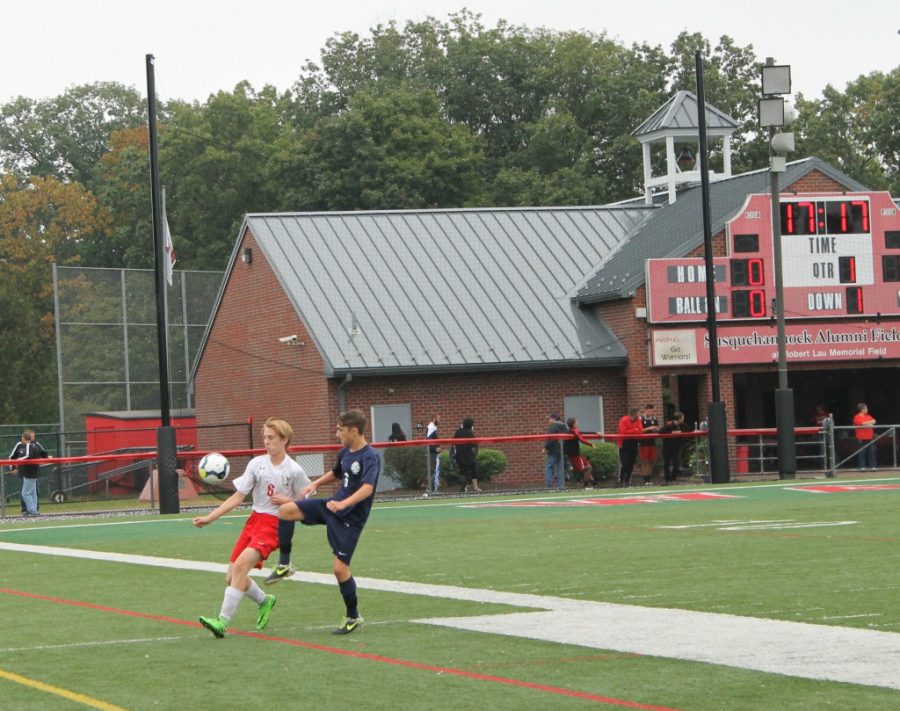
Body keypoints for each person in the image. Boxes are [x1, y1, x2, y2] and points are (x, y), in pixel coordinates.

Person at [194, 418, 310, 638]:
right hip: (254, 520)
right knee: (231, 577)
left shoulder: (294, 470)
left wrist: (287, 501)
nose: (266, 442)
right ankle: (264, 601)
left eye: (271, 438)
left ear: (284, 440)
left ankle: (221, 622)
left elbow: (306, 506)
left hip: (274, 525)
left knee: (240, 568)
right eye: (264, 437)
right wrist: (210, 517)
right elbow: (238, 497)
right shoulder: (256, 464)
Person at [275, 410, 381, 635]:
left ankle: (353, 617)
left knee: (339, 570)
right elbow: (335, 474)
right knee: (285, 510)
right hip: (332, 507)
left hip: (350, 520)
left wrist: (344, 505)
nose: (336, 434)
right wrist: (315, 484)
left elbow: (367, 489)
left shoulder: (369, 456)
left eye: (340, 430)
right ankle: (285, 564)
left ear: (354, 431)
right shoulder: (345, 453)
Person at [9, 429, 50, 516]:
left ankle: (33, 511)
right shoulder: (24, 445)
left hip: (29, 472)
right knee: (32, 492)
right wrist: (13, 467)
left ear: (24, 437)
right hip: (28, 472)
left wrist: (18, 461)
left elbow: (28, 456)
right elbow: (12, 457)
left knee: (26, 493)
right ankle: (32, 510)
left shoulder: (31, 445)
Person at [564, 417, 595, 489]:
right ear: (574, 424)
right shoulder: (574, 431)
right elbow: (581, 439)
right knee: (588, 468)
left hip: (575, 455)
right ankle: (585, 485)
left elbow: (582, 433)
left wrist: (596, 433)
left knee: (586, 468)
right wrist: (590, 444)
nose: (578, 423)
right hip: (575, 456)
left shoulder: (570, 431)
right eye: (576, 422)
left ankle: (594, 482)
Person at [452, 417, 480, 492]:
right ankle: (469, 487)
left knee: (463, 471)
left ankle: (468, 487)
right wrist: (475, 451)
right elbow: (474, 445)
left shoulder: (458, 431)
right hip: (468, 456)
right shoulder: (469, 433)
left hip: (459, 455)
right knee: (469, 471)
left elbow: (453, 443)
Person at [617, 408, 643, 486]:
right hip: (624, 443)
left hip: (633, 442)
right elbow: (623, 431)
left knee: (631, 463)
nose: (639, 415)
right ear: (634, 413)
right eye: (638, 413)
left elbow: (640, 430)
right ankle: (621, 479)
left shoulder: (638, 420)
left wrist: (631, 431)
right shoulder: (624, 420)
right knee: (625, 463)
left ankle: (627, 480)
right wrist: (634, 430)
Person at [659, 411, 685, 484]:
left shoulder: (682, 425)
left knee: (676, 464)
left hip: (676, 447)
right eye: (682, 418)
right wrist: (673, 433)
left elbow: (688, 429)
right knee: (666, 463)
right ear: (679, 418)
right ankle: (667, 479)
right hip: (667, 447)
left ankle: (673, 478)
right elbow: (661, 431)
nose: (683, 419)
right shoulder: (669, 424)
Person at [543, 413, 568, 490]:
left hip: (553, 450)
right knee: (560, 468)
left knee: (549, 467)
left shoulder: (553, 426)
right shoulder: (564, 427)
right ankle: (561, 486)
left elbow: (551, 439)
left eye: (549, 419)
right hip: (562, 450)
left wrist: (546, 447)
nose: (548, 421)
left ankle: (549, 485)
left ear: (553, 419)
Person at [638, 404, 661, 483]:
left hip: (652, 442)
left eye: (653, 411)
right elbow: (639, 430)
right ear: (646, 409)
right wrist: (649, 428)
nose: (651, 413)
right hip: (644, 443)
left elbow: (658, 428)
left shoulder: (654, 419)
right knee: (645, 461)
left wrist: (656, 429)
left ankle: (649, 478)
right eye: (650, 411)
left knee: (652, 460)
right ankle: (645, 479)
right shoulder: (641, 419)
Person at [852, 402, 877, 470]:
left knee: (871, 452)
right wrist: (869, 423)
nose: (867, 410)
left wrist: (868, 423)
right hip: (861, 438)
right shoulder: (857, 416)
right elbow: (862, 424)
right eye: (866, 408)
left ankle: (872, 466)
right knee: (862, 452)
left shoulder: (868, 416)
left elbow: (874, 421)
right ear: (862, 409)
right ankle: (862, 466)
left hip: (869, 437)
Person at [426, 414, 442, 491]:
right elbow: (429, 440)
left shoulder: (433, 427)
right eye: (438, 418)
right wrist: (435, 449)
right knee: (434, 470)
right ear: (434, 418)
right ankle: (430, 489)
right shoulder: (431, 427)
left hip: (433, 452)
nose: (440, 420)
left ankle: (432, 489)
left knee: (434, 470)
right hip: (432, 453)